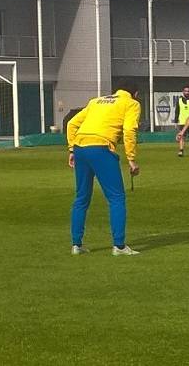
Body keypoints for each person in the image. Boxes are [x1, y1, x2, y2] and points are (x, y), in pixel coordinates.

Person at [66, 80, 142, 256]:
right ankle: (119, 246)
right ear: (135, 94)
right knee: (116, 197)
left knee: (81, 198)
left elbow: (71, 124)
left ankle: (76, 245)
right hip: (101, 147)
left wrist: (71, 149)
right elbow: (129, 130)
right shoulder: (131, 103)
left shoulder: (96, 101)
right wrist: (131, 159)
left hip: (80, 147)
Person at [174, 85, 189, 158]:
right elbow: (177, 111)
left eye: (188, 91)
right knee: (182, 137)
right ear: (183, 92)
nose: (187, 92)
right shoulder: (179, 100)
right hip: (183, 122)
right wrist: (176, 122)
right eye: (185, 91)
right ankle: (181, 150)